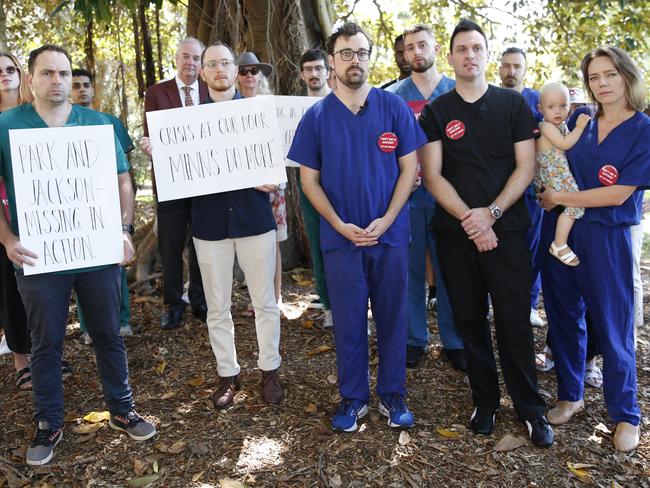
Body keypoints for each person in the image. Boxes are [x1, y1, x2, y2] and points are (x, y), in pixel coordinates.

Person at [0, 44, 155, 466]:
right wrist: (8, 239)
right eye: (47, 73)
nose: (57, 81)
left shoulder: (99, 124)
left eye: (64, 73)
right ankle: (48, 422)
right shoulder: (5, 126)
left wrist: (124, 230)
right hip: (39, 257)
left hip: (95, 251)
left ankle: (122, 409)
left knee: (107, 332)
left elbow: (124, 181)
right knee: (46, 342)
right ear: (30, 79)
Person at [418, 19, 553, 447]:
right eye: (461, 48)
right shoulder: (438, 112)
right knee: (470, 321)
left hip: (508, 230)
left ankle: (531, 409)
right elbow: (432, 176)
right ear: (451, 56)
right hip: (456, 234)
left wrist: (490, 214)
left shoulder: (513, 105)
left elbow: (526, 167)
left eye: (477, 47)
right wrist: (471, 220)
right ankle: (486, 402)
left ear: (486, 54)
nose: (469, 54)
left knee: (513, 321)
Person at [289, 22, 424, 432]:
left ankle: (393, 393)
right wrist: (338, 224)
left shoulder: (393, 107)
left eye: (362, 52)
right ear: (332, 61)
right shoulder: (316, 117)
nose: (355, 60)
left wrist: (388, 218)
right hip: (341, 239)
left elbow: (410, 168)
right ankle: (353, 398)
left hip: (390, 235)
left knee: (392, 316)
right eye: (346, 53)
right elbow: (308, 180)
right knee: (348, 319)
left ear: (371, 57)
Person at [141, 42, 284, 409]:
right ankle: (228, 374)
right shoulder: (184, 124)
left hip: (254, 220)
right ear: (201, 73)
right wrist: (161, 151)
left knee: (265, 302)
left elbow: (276, 171)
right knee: (217, 306)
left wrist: (268, 178)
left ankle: (269, 370)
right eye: (211, 64)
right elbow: (178, 173)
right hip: (209, 225)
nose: (219, 69)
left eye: (226, 63)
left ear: (236, 70)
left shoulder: (258, 113)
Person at [538, 46, 650, 452]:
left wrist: (560, 197)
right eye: (594, 78)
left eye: (610, 75)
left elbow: (620, 193)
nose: (601, 84)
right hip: (562, 232)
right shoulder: (579, 120)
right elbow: (550, 156)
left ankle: (625, 414)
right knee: (564, 315)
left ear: (627, 77)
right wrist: (547, 193)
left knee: (613, 325)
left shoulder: (642, 128)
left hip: (607, 235)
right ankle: (571, 395)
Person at [387, 24, 465, 370]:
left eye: (423, 45)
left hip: (450, 197)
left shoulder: (457, 92)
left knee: (450, 269)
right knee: (410, 269)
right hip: (408, 197)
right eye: (409, 48)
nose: (416, 52)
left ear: (436, 49)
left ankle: (455, 340)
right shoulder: (392, 97)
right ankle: (413, 338)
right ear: (404, 55)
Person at [143, 37, 208, 330]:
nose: (190, 63)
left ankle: (199, 299)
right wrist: (148, 144)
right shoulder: (157, 93)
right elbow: (151, 133)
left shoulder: (211, 90)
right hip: (170, 182)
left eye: (196, 58)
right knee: (169, 245)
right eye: (186, 57)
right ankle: (172, 304)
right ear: (177, 58)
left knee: (201, 243)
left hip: (206, 181)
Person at [70, 67, 133, 342]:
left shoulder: (110, 122)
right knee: (83, 264)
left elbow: (124, 170)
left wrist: (126, 215)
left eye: (86, 84)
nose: (81, 89)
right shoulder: (60, 124)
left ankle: (122, 321)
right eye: (76, 86)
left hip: (107, 201)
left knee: (114, 263)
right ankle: (87, 327)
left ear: (93, 89)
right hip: (76, 204)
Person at [235, 52, 287, 312]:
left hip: (271, 185)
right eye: (243, 71)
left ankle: (275, 296)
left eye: (253, 71)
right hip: (240, 186)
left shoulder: (272, 107)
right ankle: (257, 298)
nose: (248, 76)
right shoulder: (227, 107)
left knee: (273, 240)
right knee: (248, 241)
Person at [499, 47, 544, 327]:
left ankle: (529, 303)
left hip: (531, 190)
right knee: (500, 248)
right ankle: (500, 300)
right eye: (506, 65)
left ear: (525, 69)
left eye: (516, 66)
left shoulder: (537, 100)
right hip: (499, 187)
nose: (511, 71)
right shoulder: (491, 98)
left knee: (532, 247)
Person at [0, 52, 33, 390]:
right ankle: (21, 359)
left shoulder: (32, 115)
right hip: (2, 218)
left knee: (40, 288)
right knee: (9, 288)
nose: (4, 75)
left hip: (36, 213)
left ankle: (47, 352)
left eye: (10, 69)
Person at [534, 82, 589, 266]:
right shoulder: (545, 127)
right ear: (540, 109)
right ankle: (559, 244)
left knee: (572, 206)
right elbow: (565, 144)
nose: (558, 111)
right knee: (576, 204)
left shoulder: (559, 125)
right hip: (552, 175)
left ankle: (560, 242)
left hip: (557, 174)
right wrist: (580, 128)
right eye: (551, 107)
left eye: (563, 106)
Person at [297, 48, 332, 327]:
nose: (314, 73)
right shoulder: (292, 109)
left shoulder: (340, 101)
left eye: (318, 68)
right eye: (308, 69)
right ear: (302, 74)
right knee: (318, 242)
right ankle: (329, 305)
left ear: (328, 71)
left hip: (340, 181)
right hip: (309, 182)